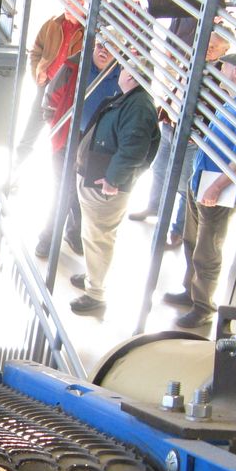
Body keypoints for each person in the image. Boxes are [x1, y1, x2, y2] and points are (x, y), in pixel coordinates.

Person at [165, 52, 236, 328]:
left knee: (207, 251)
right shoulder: (231, 101)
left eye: (224, 67)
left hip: (216, 190)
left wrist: (217, 187)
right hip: (201, 181)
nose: (220, 72)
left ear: (235, 71)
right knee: (191, 241)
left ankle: (203, 307)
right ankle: (190, 291)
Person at [69, 62, 161, 315]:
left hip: (104, 185)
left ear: (132, 76)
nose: (120, 72)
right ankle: (92, 276)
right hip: (96, 177)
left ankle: (95, 294)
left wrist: (113, 179)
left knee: (99, 237)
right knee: (92, 234)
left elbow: (133, 150)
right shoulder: (129, 99)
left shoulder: (139, 106)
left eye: (124, 69)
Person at [129, 26, 231, 249]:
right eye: (208, 43)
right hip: (170, 125)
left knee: (185, 186)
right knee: (159, 170)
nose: (208, 49)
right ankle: (153, 207)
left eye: (214, 47)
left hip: (193, 137)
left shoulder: (223, 76)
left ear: (224, 51)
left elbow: (218, 109)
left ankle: (178, 231)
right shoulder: (191, 58)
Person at [35, 36, 121, 258]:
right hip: (68, 137)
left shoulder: (123, 76)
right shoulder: (74, 66)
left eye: (111, 48)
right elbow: (51, 97)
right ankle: (48, 238)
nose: (104, 51)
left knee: (83, 190)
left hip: (97, 145)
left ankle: (73, 233)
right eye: (101, 46)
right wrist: (54, 125)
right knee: (63, 190)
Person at [15, 0, 85, 163]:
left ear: (82, 5)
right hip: (47, 84)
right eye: (66, 2)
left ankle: (57, 165)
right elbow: (36, 50)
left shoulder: (86, 32)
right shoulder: (52, 24)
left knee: (60, 133)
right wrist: (37, 72)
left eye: (72, 4)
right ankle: (18, 162)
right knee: (33, 125)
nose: (67, 7)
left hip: (66, 92)